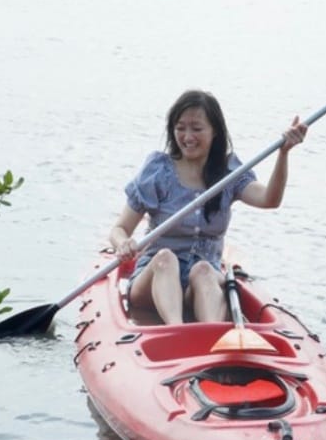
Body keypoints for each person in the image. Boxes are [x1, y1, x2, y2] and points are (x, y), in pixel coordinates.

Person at [108, 90, 307, 325]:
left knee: (203, 270)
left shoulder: (228, 172)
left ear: (215, 132)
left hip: (201, 282)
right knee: (165, 258)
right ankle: (177, 330)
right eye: (180, 127)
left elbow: (269, 200)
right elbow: (119, 229)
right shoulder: (158, 171)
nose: (187, 136)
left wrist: (283, 155)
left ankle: (211, 334)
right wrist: (123, 244)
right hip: (153, 282)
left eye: (197, 128)